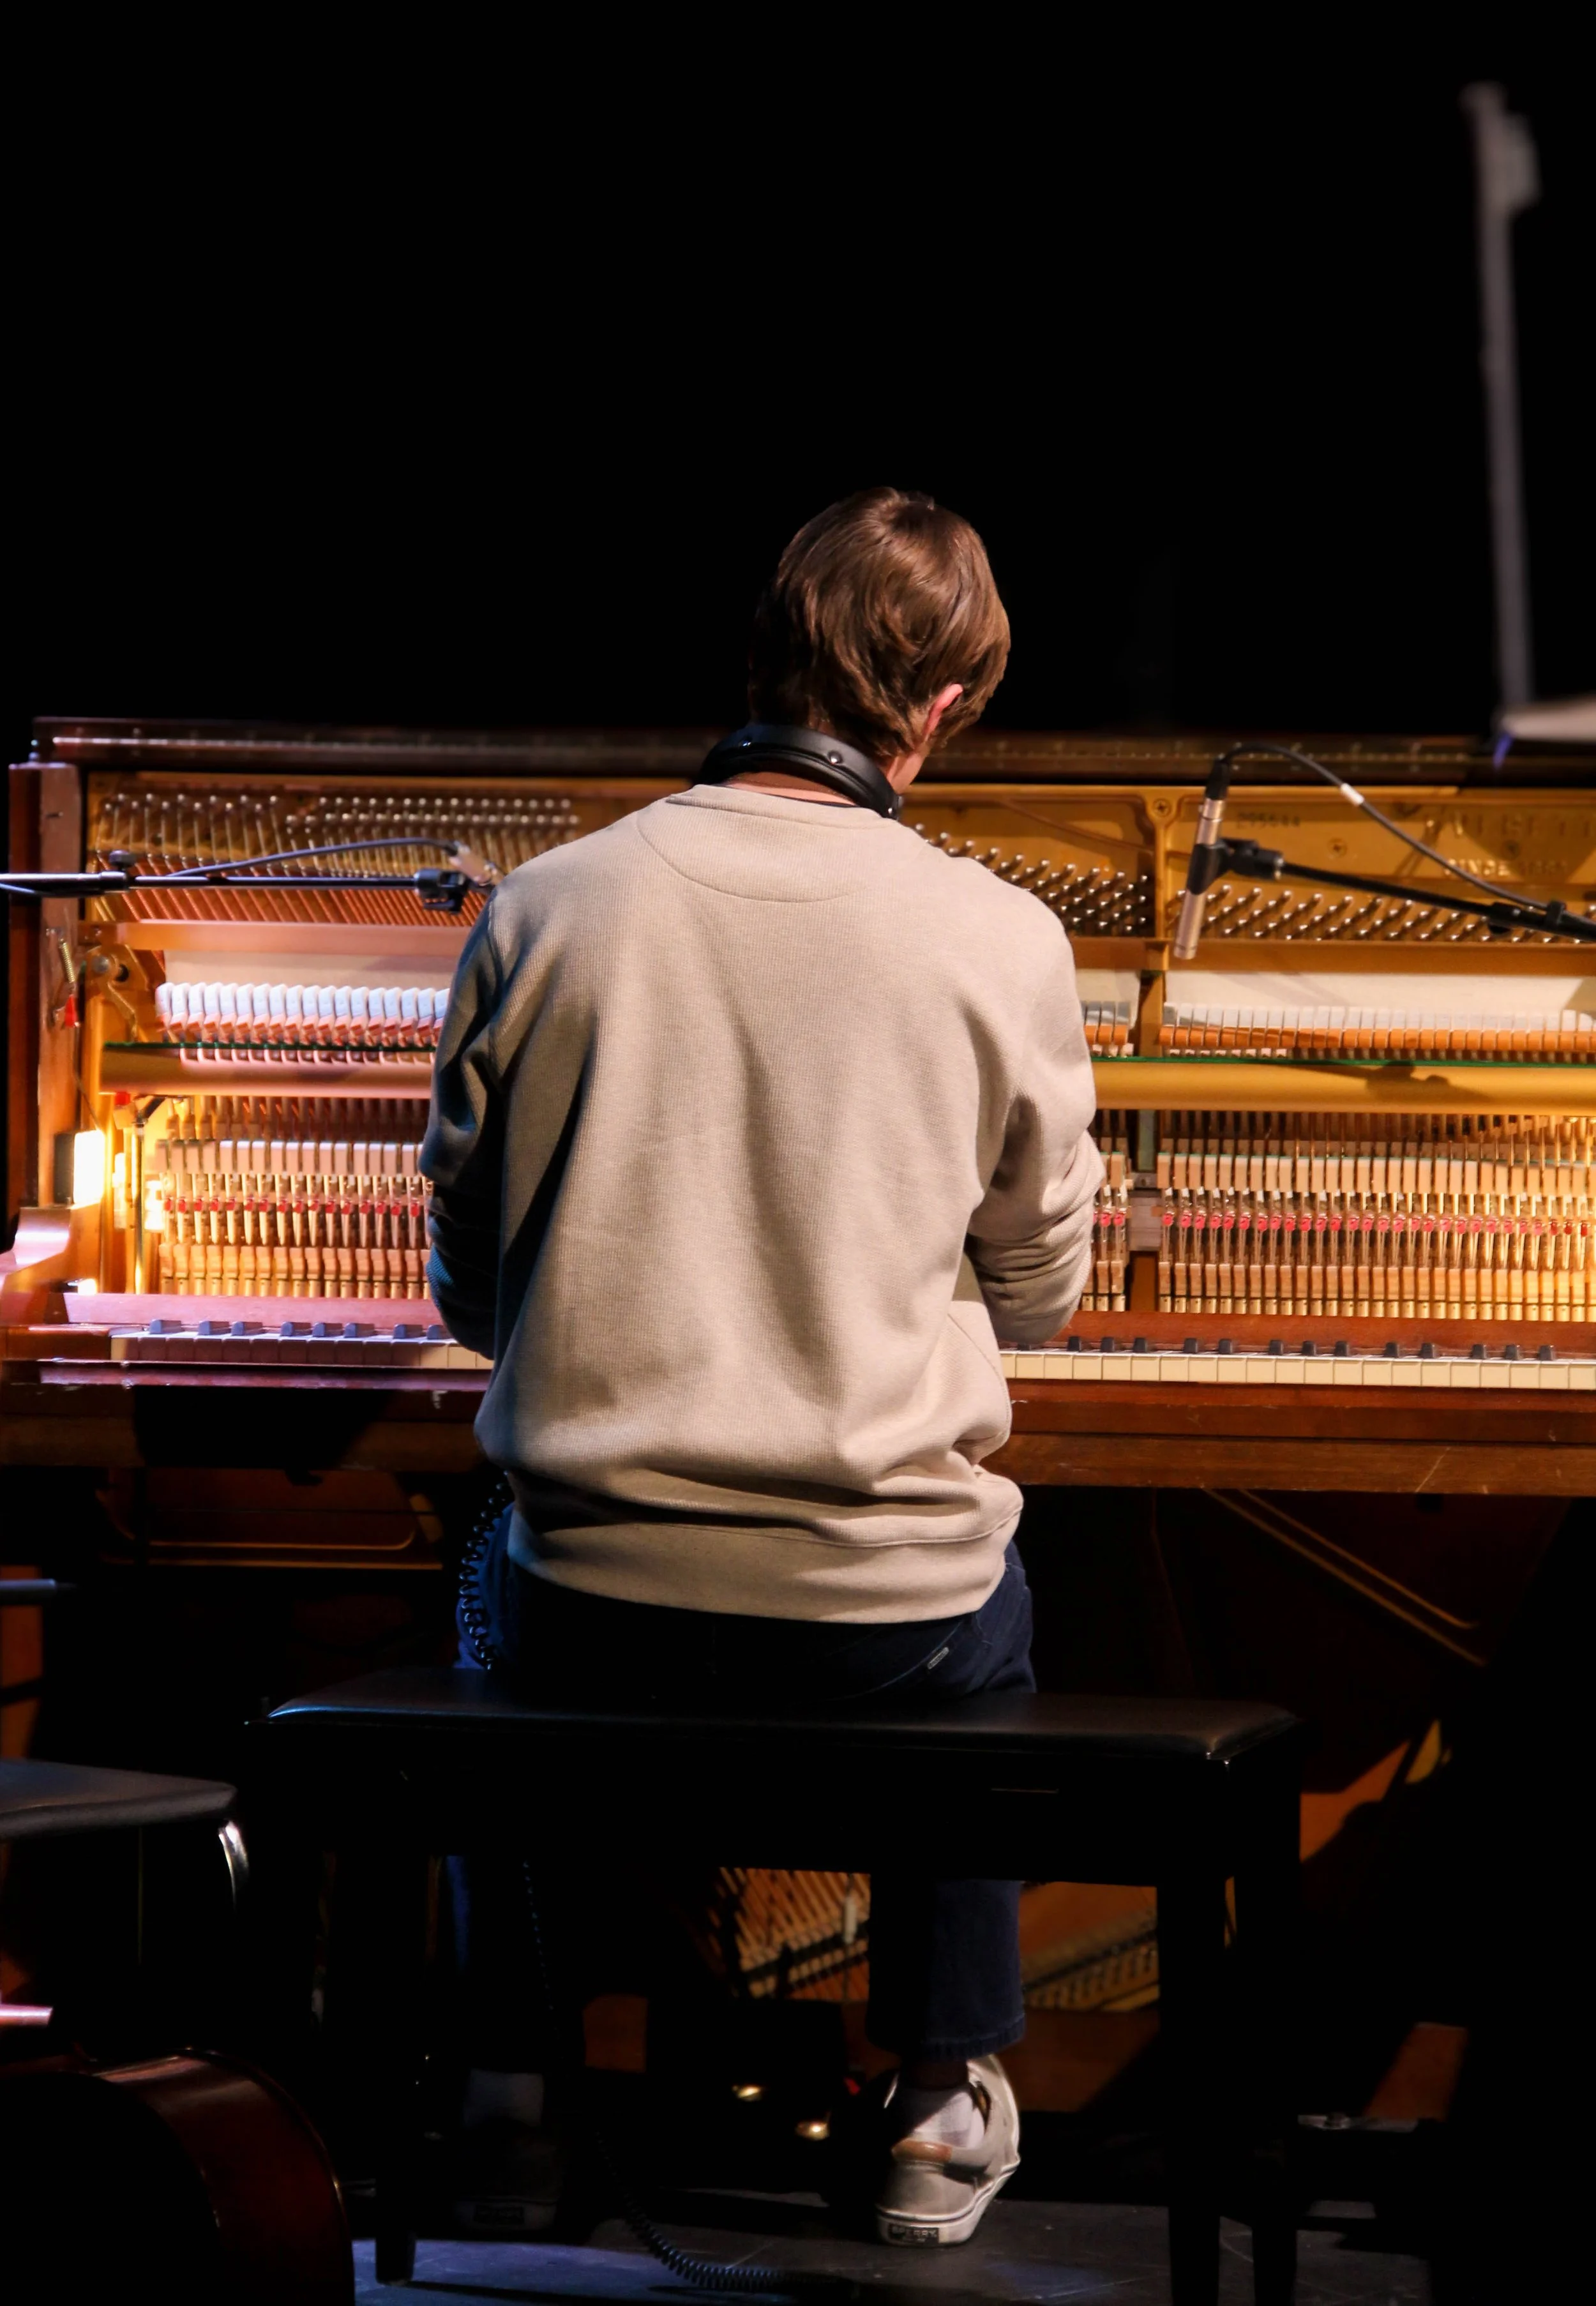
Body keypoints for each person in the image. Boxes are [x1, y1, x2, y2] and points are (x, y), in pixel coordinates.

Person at [423, 486, 1103, 2246]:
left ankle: (508, 2087)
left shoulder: (549, 907)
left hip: (596, 1600)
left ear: (761, 656)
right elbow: (1033, 1307)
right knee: (991, 1581)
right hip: (892, 1623)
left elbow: (480, 1301)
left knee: (486, 1590)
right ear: (937, 709)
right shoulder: (999, 936)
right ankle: (941, 2100)